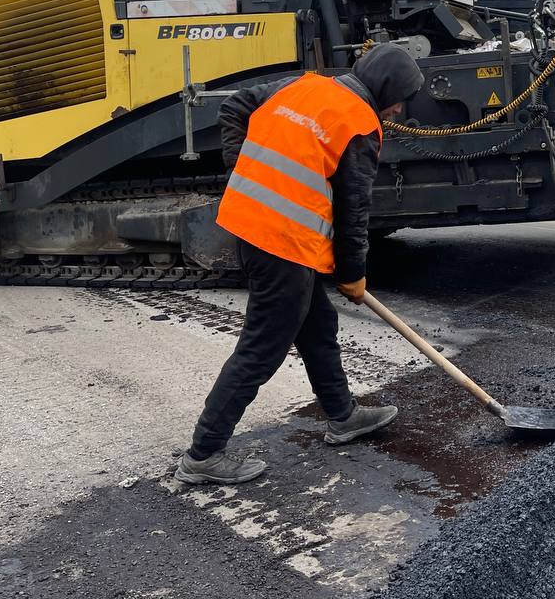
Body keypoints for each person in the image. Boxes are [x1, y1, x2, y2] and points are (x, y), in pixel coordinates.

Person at [176, 44, 424, 485]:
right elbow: (353, 211)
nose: (398, 109)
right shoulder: (359, 124)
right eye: (400, 99)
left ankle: (342, 415)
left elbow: (236, 105)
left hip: (251, 223)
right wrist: (352, 274)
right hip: (280, 241)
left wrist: (241, 169)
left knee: (316, 324)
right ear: (387, 89)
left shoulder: (302, 85)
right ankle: (204, 453)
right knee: (262, 346)